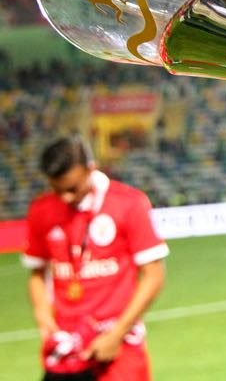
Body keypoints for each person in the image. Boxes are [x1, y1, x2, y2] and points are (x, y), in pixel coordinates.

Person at [22, 136, 169, 380]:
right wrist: (43, 316)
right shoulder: (41, 209)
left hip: (118, 343)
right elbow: (37, 274)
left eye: (72, 189)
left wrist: (117, 334)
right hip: (66, 345)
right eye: (57, 190)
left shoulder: (129, 203)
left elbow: (154, 274)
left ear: (91, 168)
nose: (65, 198)